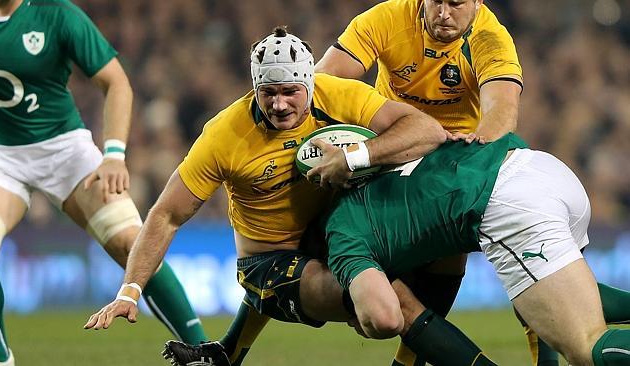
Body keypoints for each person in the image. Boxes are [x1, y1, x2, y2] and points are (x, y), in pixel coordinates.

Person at [84, 27, 498, 366]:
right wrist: (129, 291)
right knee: (392, 309)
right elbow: (166, 216)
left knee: (437, 263)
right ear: (255, 88)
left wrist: (356, 156)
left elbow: (424, 130)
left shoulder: (336, 95)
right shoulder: (224, 136)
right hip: (270, 264)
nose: (279, 104)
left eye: (290, 92)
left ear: (309, 83)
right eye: (268, 93)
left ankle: (224, 355)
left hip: (334, 235)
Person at [0, 1, 207, 364]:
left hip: (65, 150)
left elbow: (116, 81)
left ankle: (204, 351)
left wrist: (114, 153)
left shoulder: (56, 14)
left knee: (131, 244)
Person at [324, 132, 630, 366]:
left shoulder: (341, 231)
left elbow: (392, 314)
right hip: (542, 167)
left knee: (585, 348)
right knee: (547, 296)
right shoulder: (404, 146)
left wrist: (362, 316)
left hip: (510, 204)